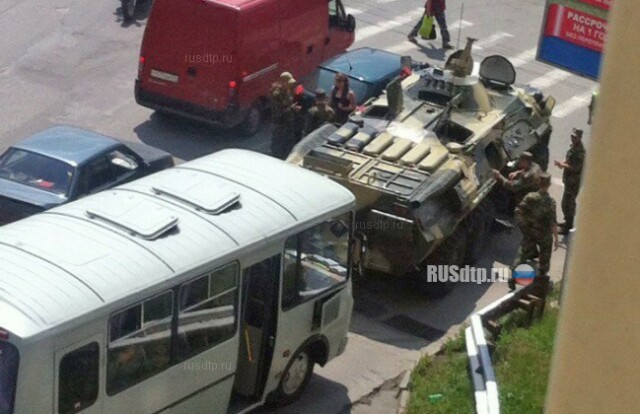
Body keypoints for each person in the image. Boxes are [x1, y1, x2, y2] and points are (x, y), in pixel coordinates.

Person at [509, 173, 559, 291]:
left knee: (522, 253)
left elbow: (518, 210)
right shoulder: (550, 202)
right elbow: (553, 223)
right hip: (544, 234)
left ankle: (513, 277)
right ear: (549, 184)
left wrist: (524, 226)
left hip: (530, 231)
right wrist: (556, 239)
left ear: (538, 183)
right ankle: (542, 280)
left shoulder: (530, 197)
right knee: (544, 257)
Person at [554, 128, 586, 235]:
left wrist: (562, 165)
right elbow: (569, 159)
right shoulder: (574, 148)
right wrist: (563, 163)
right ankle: (567, 222)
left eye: (575, 137)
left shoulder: (580, 152)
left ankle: (568, 226)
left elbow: (575, 168)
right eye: (572, 136)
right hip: (569, 181)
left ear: (579, 138)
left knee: (568, 204)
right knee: (566, 203)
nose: (572, 138)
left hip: (573, 182)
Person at [270, 72, 301, 159]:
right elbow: (278, 113)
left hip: (288, 123)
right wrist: (292, 108)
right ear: (283, 82)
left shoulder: (287, 91)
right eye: (288, 82)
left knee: (288, 145)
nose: (290, 84)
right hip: (280, 125)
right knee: (278, 146)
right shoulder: (277, 95)